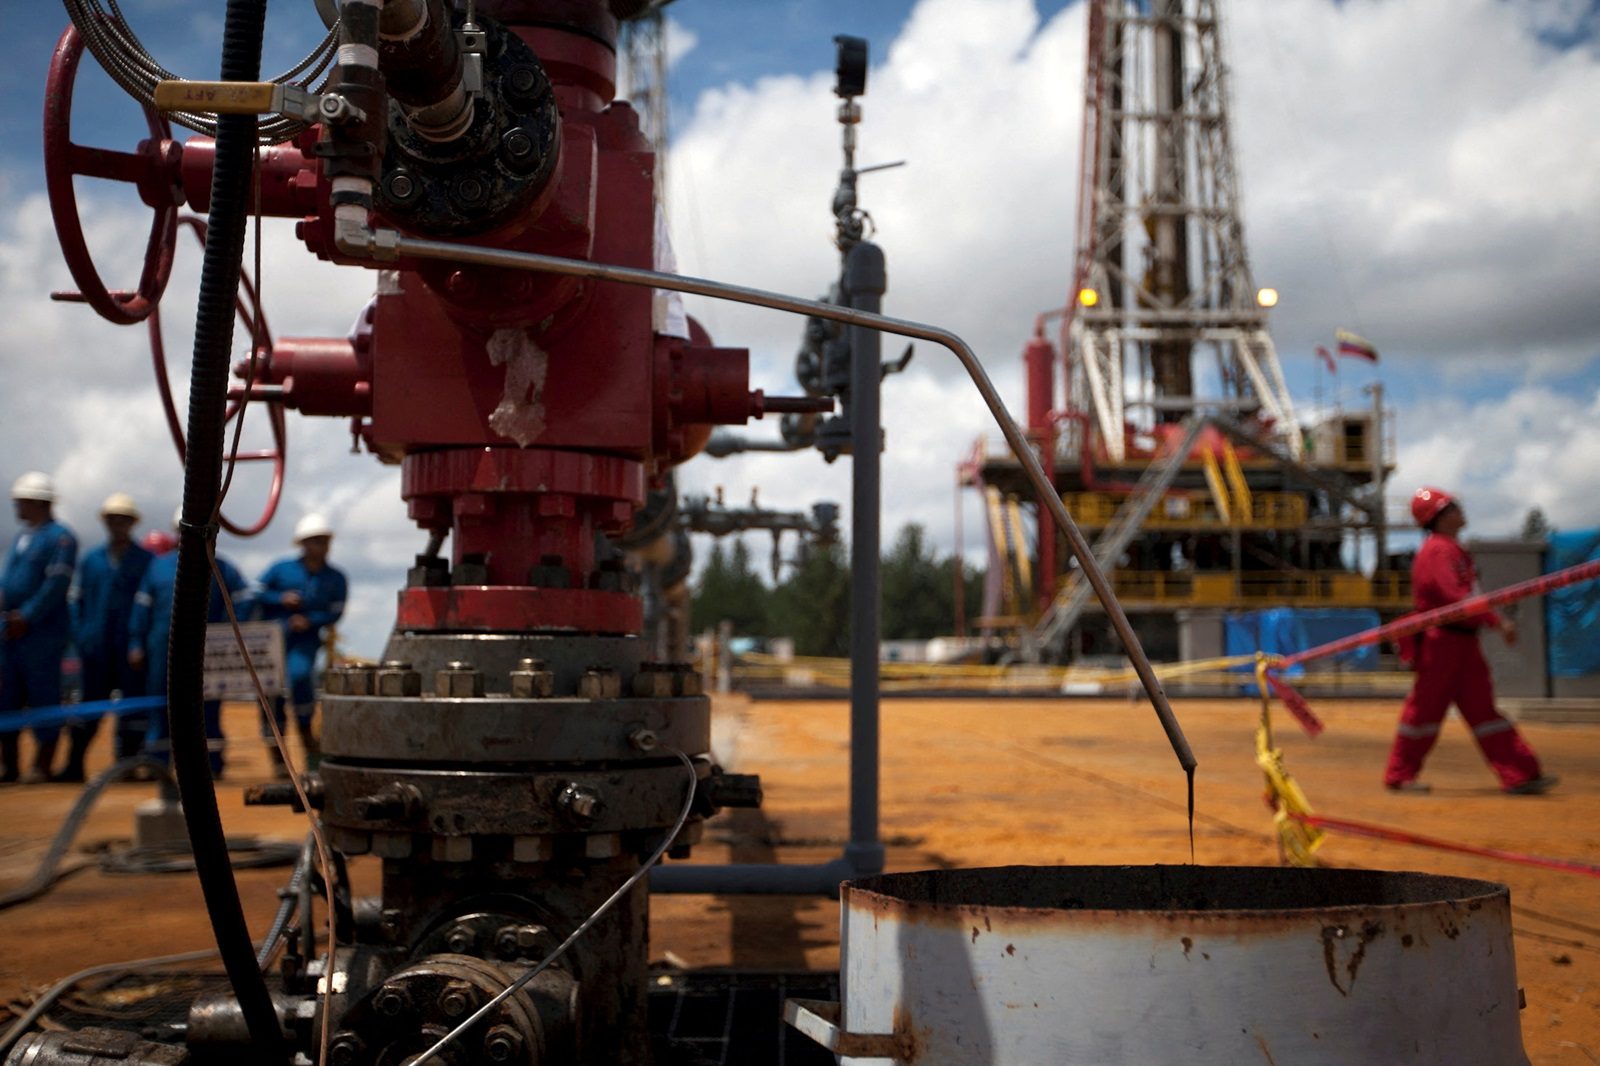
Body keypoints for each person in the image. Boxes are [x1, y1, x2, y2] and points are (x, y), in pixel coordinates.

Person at [1384, 487, 1558, 795]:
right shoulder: (1437, 551)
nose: (1460, 511)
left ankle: (1519, 773)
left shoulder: (1453, 549)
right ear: (1438, 517)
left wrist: (1491, 620)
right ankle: (1399, 775)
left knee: (1483, 711)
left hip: (1463, 643)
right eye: (1452, 507)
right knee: (1424, 712)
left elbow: (1466, 600)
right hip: (1442, 644)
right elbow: (1456, 598)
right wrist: (1496, 621)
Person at [129, 509, 251, 776]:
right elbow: (142, 609)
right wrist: (136, 643)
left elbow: (244, 599)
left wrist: (231, 633)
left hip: (209, 649)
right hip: (163, 647)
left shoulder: (222, 566)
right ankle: (158, 764)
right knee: (161, 704)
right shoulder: (159, 566)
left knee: (207, 708)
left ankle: (211, 765)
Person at [62, 493, 154, 781]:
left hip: (130, 649)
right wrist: (81, 636)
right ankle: (74, 765)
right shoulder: (91, 560)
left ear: (132, 524)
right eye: (113, 520)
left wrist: (139, 642)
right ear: (106, 523)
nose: (118, 525)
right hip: (95, 647)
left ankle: (126, 767)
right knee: (89, 707)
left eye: (124, 520)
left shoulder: (145, 561)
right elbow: (76, 601)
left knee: (131, 711)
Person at [0, 472, 78, 784]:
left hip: (41, 635)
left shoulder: (61, 537)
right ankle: (9, 765)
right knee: (6, 696)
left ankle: (41, 766)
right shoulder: (21, 538)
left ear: (37, 502)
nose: (16, 507)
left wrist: (27, 617)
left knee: (43, 695)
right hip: (10, 633)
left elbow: (56, 584)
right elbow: (8, 582)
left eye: (20, 501)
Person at [256, 514, 347, 774]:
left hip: (305, 641)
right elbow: (255, 593)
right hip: (273, 641)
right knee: (269, 691)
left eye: (325, 540)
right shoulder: (281, 569)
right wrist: (280, 598)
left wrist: (310, 620)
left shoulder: (336, 578)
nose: (321, 545)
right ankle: (277, 757)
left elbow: (336, 611)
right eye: (316, 540)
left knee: (299, 678)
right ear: (303, 544)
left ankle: (308, 739)